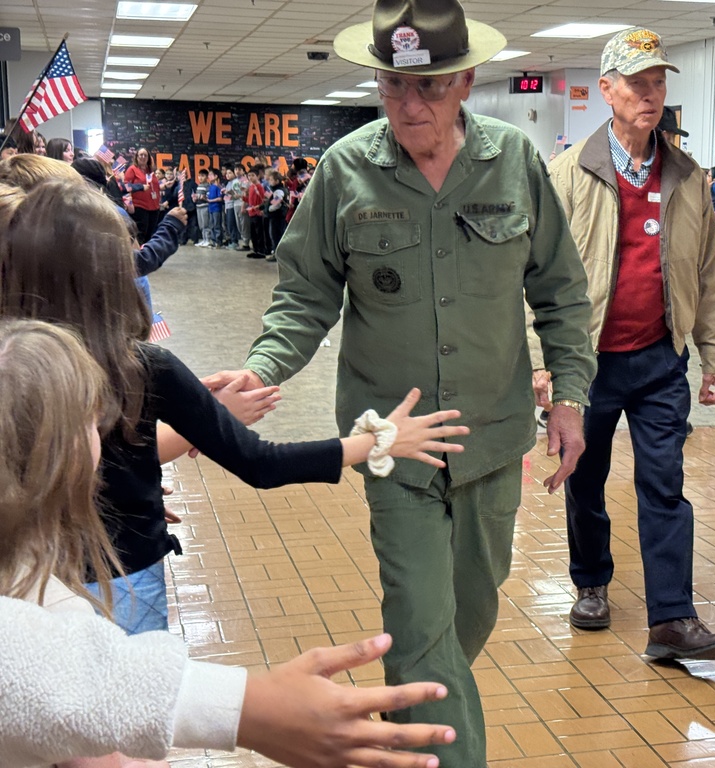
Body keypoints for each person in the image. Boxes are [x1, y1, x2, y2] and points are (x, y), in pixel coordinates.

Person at [203, 0, 596, 763]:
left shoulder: (514, 161)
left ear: (466, 81)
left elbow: (562, 291)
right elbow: (304, 293)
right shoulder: (346, 169)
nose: (409, 105)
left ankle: (409, 720)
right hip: (391, 441)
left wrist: (571, 395)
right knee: (420, 621)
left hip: (493, 435)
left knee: (463, 618)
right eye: (392, 86)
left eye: (430, 86)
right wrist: (261, 367)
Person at [0, 179, 470, 635]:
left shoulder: (14, 367)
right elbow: (261, 463)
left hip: (22, 576)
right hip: (124, 577)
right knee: (137, 705)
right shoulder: (142, 368)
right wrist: (375, 441)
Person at [0, 318, 457, 768]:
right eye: (93, 421)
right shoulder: (49, 607)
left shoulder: (29, 569)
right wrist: (252, 710)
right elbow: (92, 693)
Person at [537, 26, 715, 662]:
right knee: (585, 479)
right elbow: (530, 275)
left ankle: (671, 620)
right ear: (606, 90)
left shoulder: (688, 176)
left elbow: (708, 272)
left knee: (665, 486)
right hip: (585, 364)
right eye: (636, 83)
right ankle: (592, 582)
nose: (650, 95)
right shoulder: (566, 174)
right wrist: (544, 365)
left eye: (658, 83)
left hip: (658, 361)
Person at [123, 147, 161, 244]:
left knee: (150, 234)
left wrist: (163, 186)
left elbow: (154, 185)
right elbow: (125, 186)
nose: (143, 157)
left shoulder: (151, 170)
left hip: (154, 207)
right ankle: (138, 255)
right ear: (137, 157)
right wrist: (140, 187)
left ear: (148, 157)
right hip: (140, 207)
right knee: (141, 234)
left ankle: (146, 255)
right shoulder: (132, 169)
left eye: (145, 155)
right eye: (141, 155)